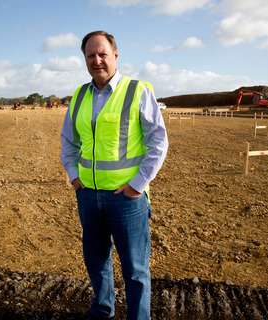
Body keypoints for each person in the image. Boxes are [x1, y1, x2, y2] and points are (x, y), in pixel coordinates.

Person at [60, 31, 168, 320]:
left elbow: (158, 142)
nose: (97, 60)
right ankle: (103, 310)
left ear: (115, 55)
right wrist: (74, 176)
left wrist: (137, 185)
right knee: (96, 262)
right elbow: (68, 142)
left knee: (135, 270)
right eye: (90, 55)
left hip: (127, 200)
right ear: (84, 59)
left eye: (102, 54)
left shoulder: (138, 90)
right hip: (88, 196)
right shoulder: (80, 95)